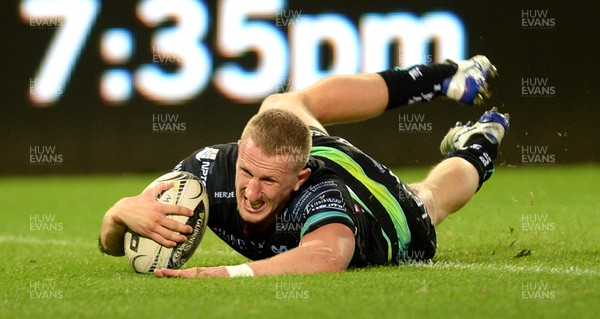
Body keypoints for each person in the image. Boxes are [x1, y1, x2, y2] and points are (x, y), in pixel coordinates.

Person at [99, 55, 509, 278]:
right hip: (311, 151)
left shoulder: (320, 193)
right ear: (240, 150)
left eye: (268, 181)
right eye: (246, 172)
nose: (252, 193)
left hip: (389, 215)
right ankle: (445, 77)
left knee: (427, 200)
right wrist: (118, 214)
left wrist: (226, 273)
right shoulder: (206, 170)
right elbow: (113, 243)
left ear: (299, 179)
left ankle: (480, 144)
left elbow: (329, 255)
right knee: (280, 104)